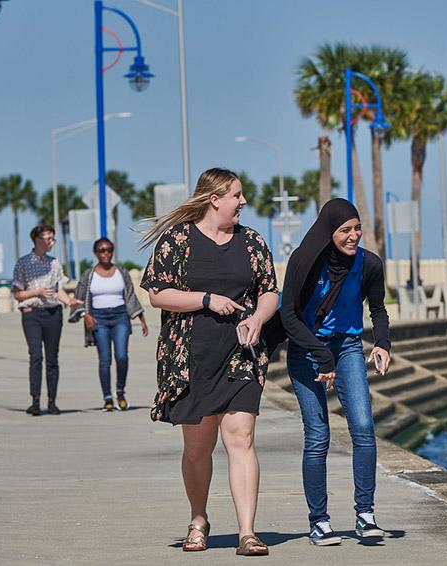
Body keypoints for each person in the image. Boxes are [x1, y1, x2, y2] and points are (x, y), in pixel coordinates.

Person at [140, 168, 279, 556]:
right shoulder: (178, 239)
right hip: (191, 359)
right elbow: (158, 294)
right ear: (215, 198)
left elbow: (269, 291)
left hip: (241, 355)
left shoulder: (251, 242)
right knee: (198, 448)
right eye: (237, 195)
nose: (244, 202)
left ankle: (247, 532)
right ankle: (198, 519)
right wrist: (206, 299)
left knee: (242, 439)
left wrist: (258, 318)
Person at [280, 198, 391, 546]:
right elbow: (288, 317)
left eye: (357, 228)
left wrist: (383, 344)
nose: (353, 235)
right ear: (330, 231)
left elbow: (378, 308)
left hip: (347, 348)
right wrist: (319, 356)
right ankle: (319, 521)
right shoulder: (305, 262)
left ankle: (365, 513)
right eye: (345, 230)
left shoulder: (369, 265)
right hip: (305, 350)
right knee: (318, 436)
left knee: (363, 427)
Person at [12, 224, 82, 416]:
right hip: (32, 313)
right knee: (36, 356)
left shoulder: (54, 263)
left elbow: (58, 289)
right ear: (37, 239)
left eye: (53, 238)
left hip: (53, 313)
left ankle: (52, 402)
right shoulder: (23, 263)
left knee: (52, 358)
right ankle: (35, 401)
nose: (51, 242)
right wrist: (37, 292)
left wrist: (69, 300)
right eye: (48, 238)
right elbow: (18, 294)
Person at [72, 237, 148, 412]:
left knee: (121, 356)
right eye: (101, 250)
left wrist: (141, 319)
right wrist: (86, 315)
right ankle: (107, 398)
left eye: (108, 250)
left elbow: (130, 296)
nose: (105, 253)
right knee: (104, 360)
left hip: (120, 316)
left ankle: (120, 392)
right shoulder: (89, 275)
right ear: (95, 253)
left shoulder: (121, 272)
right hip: (99, 318)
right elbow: (79, 296)